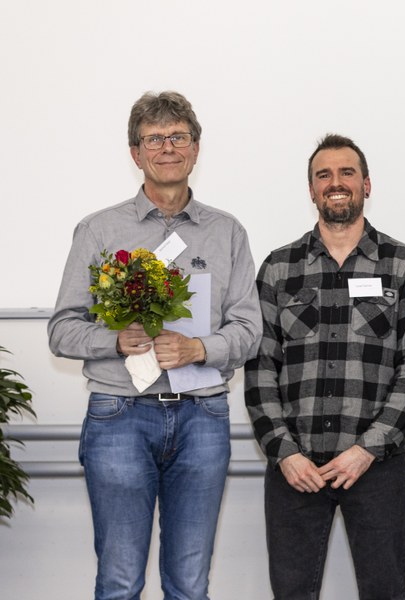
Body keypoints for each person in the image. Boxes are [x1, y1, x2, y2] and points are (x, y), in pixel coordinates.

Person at [47, 91, 262, 599]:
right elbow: (60, 330)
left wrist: (198, 350)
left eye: (178, 137)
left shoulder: (227, 232)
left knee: (189, 584)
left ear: (196, 147)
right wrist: (115, 339)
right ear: (135, 152)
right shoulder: (99, 229)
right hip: (119, 414)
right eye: (154, 139)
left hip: (203, 418)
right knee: (119, 581)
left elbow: (249, 330)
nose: (168, 147)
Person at [245, 133, 405, 600]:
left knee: (385, 592)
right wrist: (283, 452)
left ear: (367, 184)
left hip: (376, 465)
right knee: (291, 593)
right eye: (324, 175)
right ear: (311, 190)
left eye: (347, 173)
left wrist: (369, 448)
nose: (336, 183)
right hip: (295, 468)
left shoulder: (402, 264)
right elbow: (261, 368)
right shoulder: (279, 268)